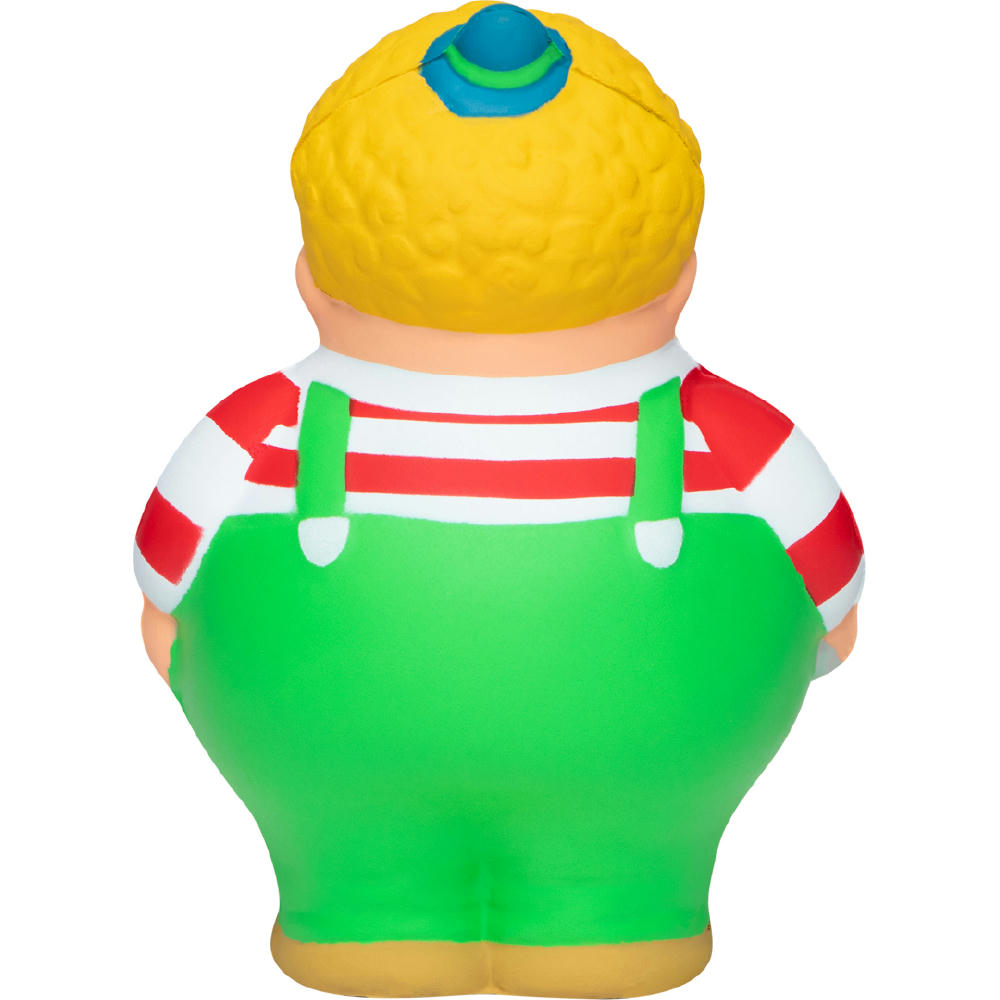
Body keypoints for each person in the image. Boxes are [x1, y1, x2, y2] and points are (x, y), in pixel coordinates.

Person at [136, 4, 863, 996]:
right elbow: (834, 602)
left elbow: (162, 589)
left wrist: (183, 640)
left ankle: (359, 924)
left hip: (328, 776)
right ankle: (618, 923)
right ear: (679, 283)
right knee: (624, 882)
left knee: (345, 865)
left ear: (310, 281)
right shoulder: (739, 438)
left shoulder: (258, 431)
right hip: (646, 785)